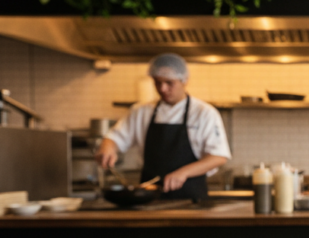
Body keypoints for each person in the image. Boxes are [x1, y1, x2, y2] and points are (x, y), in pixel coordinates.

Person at [96, 53, 230, 200]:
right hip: (148, 199)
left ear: (184, 80)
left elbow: (218, 156)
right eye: (157, 82)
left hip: (191, 200)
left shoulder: (204, 113)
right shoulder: (141, 111)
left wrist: (183, 172)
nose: (163, 89)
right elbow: (114, 138)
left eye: (169, 83)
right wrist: (108, 147)